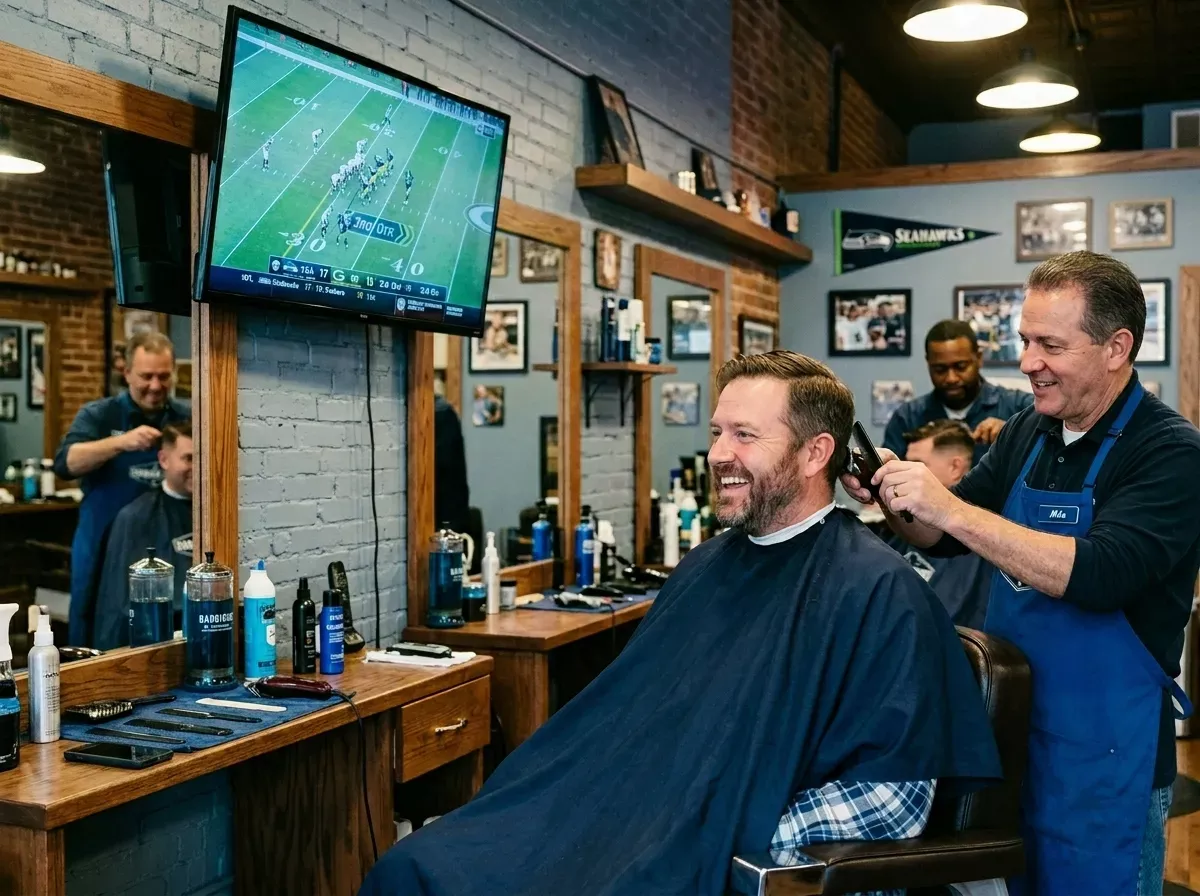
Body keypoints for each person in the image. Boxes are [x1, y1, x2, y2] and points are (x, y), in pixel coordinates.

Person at [359, 351, 1002, 896]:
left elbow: (894, 803)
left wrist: (728, 830)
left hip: (717, 844)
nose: (718, 453)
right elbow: (634, 726)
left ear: (817, 454)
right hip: (637, 819)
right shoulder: (708, 565)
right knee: (417, 867)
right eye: (718, 431)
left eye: (744, 436)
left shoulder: (877, 589)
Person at [845, 251, 1200, 895]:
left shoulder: (1170, 452)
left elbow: (1100, 573)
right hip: (1012, 741)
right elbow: (944, 539)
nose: (1028, 361)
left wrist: (949, 505)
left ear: (1117, 347)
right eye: (1025, 340)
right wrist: (895, 495)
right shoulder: (1027, 435)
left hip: (1105, 760)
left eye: (1050, 344)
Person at [54, 330, 189, 646]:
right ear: (126, 372)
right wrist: (120, 443)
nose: (155, 386)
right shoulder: (99, 415)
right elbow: (66, 463)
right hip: (102, 540)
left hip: (168, 540)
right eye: (146, 376)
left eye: (163, 376)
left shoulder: (185, 418)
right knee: (92, 620)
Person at [92, 420, 194, 650]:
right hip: (157, 642)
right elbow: (116, 606)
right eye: (188, 459)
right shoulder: (135, 518)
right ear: (164, 460)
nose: (197, 468)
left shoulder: (217, 513)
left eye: (202, 459)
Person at [886, 419, 992, 629]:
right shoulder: (906, 525)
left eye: (917, 466)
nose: (904, 474)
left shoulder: (974, 540)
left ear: (955, 467)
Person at [883, 319, 1033, 465]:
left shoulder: (1020, 407)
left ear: (979, 358)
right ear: (928, 364)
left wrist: (1013, 434)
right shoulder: (908, 418)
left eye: (960, 366)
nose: (951, 378)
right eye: (940, 369)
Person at [433, 395, 470, 538]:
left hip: (445, 509)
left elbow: (444, 464)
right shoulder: (443, 410)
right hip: (452, 508)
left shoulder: (441, 412)